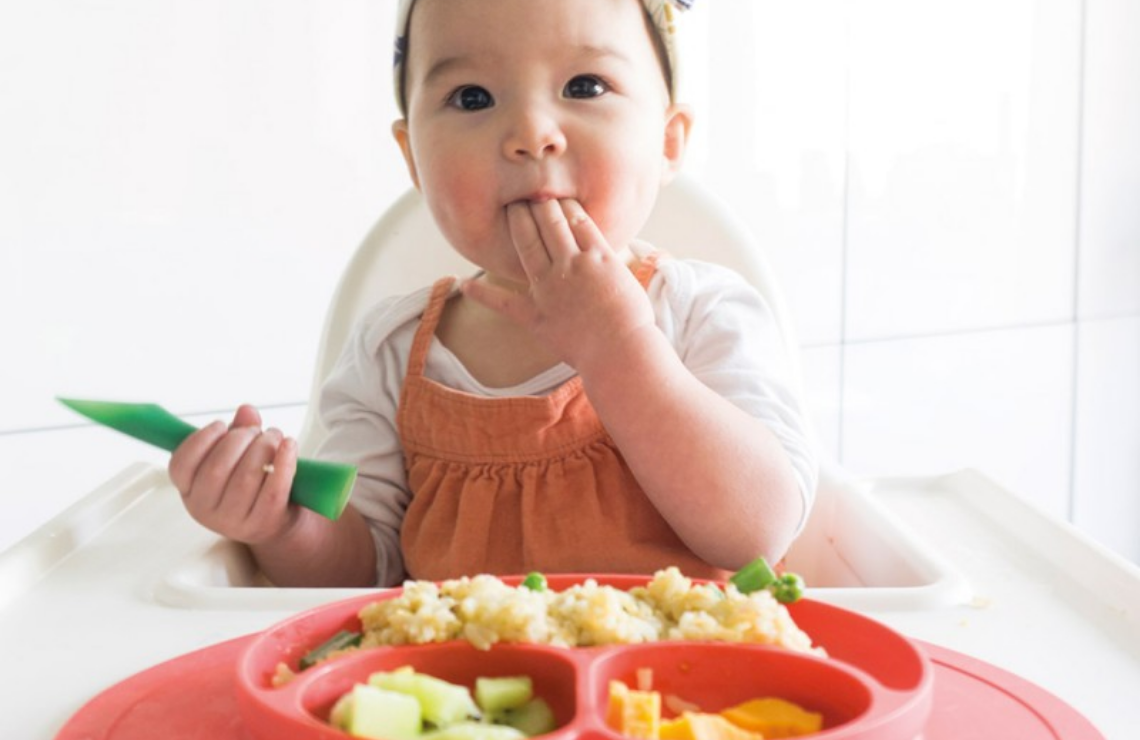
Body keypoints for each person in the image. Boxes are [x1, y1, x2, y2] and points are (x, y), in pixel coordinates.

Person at [168, 0, 818, 588]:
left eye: (584, 86)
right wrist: (281, 527)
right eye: (473, 97)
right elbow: (362, 570)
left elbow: (759, 532)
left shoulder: (701, 312)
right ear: (413, 160)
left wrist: (619, 346)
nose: (532, 132)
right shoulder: (390, 354)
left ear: (669, 140)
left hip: (690, 694)